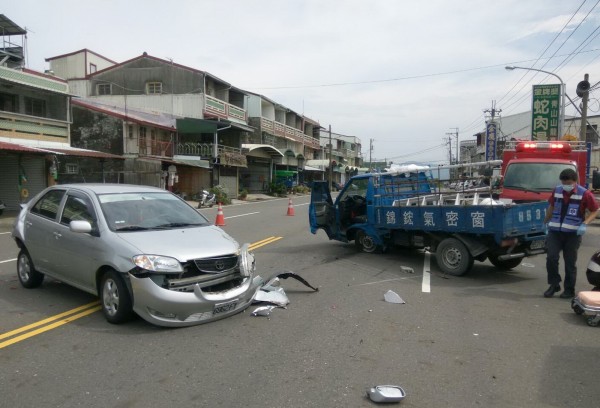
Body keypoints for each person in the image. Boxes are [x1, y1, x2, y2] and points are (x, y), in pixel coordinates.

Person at [543, 168, 599, 298]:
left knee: (570, 263)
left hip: (573, 234)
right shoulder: (557, 190)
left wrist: (585, 224)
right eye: (564, 183)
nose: (566, 186)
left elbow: (595, 210)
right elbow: (551, 206)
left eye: (568, 183)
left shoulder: (584, 193)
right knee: (551, 258)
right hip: (555, 232)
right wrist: (545, 222)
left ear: (575, 182)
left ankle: (569, 290)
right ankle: (554, 284)